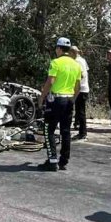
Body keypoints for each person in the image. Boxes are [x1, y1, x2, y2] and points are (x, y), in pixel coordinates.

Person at [38, 37, 82, 172]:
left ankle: (52, 161)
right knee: (66, 131)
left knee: (48, 129)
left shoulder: (56, 62)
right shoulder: (76, 65)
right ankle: (63, 161)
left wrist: (41, 98)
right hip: (69, 100)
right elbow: (78, 87)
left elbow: (50, 82)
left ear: (58, 48)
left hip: (56, 100)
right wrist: (72, 99)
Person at [71, 45, 90, 140]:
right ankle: (81, 131)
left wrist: (74, 83)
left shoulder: (77, 61)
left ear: (73, 52)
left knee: (81, 112)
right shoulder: (82, 60)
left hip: (81, 89)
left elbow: (82, 74)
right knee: (79, 111)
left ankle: (83, 133)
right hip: (83, 88)